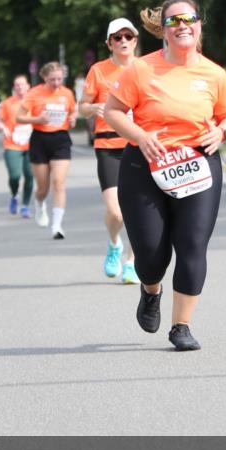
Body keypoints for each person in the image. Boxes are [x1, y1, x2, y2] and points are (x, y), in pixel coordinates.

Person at [105, 0, 226, 351]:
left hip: (198, 163)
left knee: (193, 245)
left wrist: (222, 131)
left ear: (199, 25)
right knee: (151, 255)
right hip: (145, 165)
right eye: (174, 20)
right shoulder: (140, 69)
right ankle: (151, 290)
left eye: (189, 18)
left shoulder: (214, 73)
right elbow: (113, 112)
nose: (182, 25)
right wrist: (139, 135)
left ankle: (181, 326)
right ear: (162, 30)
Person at [79, 18, 140, 284]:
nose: (123, 41)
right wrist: (92, 109)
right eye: (118, 38)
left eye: (128, 36)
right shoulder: (99, 71)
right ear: (109, 44)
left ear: (135, 40)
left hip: (139, 145)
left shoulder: (146, 68)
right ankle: (114, 243)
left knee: (139, 211)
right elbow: (82, 106)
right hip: (108, 145)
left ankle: (131, 262)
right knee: (116, 212)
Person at [16, 62, 76, 238]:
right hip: (40, 139)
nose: (57, 83)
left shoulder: (67, 93)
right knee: (43, 187)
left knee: (59, 183)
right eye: (52, 80)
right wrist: (37, 119)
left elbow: (73, 112)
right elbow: (19, 117)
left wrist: (72, 119)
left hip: (61, 139)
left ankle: (57, 226)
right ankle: (40, 203)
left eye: (59, 79)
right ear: (44, 78)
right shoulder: (34, 93)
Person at [0, 75, 33, 218]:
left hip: (31, 143)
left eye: (22, 85)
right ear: (14, 87)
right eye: (17, 85)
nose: (20, 88)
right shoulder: (7, 103)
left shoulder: (34, 102)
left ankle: (25, 206)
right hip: (12, 143)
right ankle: (14, 195)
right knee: (15, 176)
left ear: (28, 86)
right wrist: (3, 128)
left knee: (30, 175)